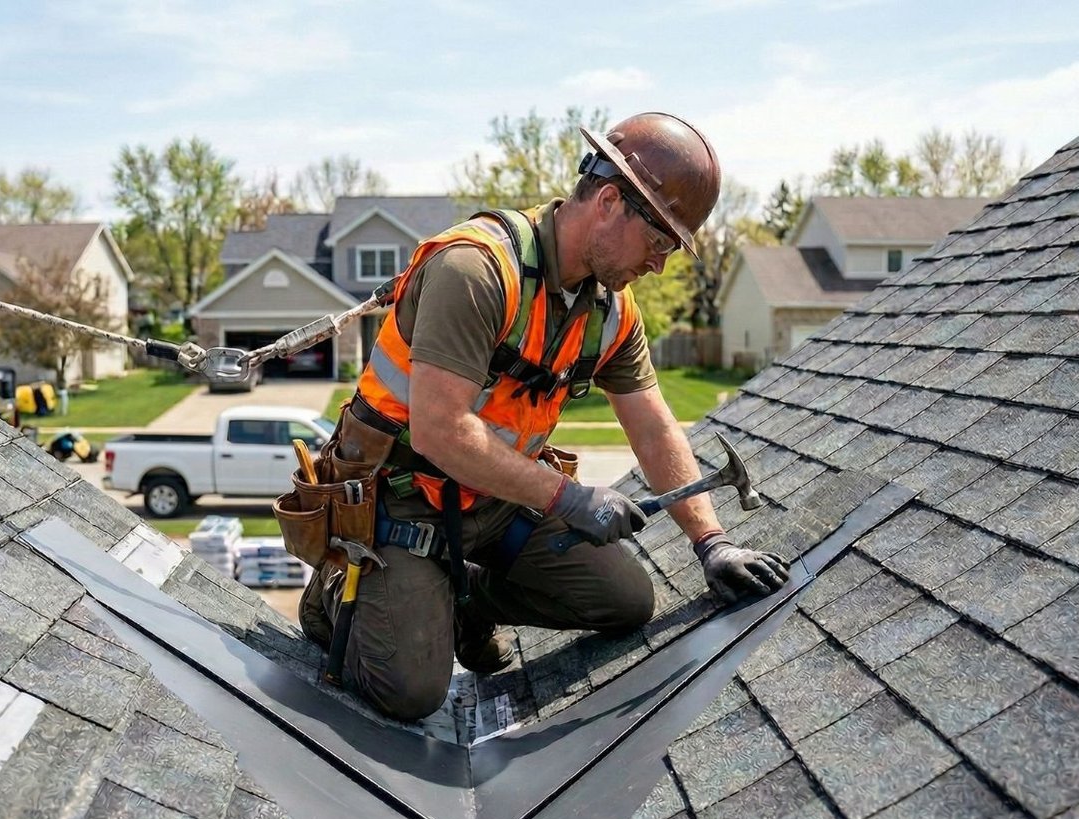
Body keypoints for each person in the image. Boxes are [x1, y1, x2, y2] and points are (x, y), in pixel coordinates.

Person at [303, 112, 790, 721]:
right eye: (661, 240)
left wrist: (710, 541)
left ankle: (464, 602)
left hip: (495, 502)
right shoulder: (476, 271)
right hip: (400, 501)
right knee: (409, 693)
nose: (661, 263)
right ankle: (334, 598)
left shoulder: (610, 312)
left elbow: (652, 425)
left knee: (626, 601)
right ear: (610, 200)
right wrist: (567, 498)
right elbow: (439, 430)